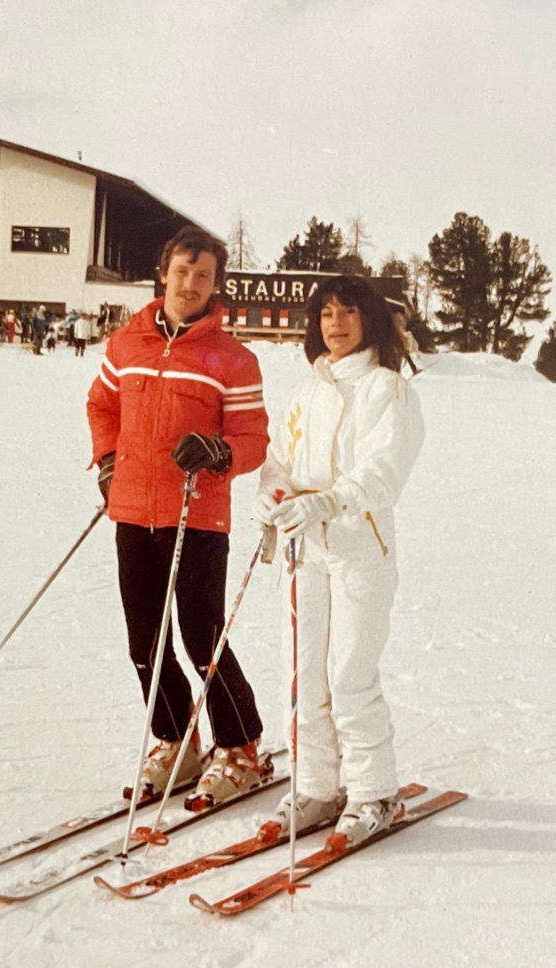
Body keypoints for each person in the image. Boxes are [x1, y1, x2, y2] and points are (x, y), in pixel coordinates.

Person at [86, 226, 270, 808]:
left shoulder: (233, 359)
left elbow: (253, 438)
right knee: (144, 639)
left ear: (216, 286)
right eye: (183, 271)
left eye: (204, 276)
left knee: (199, 636)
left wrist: (221, 453)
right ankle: (177, 739)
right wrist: (110, 459)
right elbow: (102, 404)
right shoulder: (125, 345)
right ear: (163, 271)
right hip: (134, 510)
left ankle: (239, 746)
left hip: (198, 515)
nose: (190, 284)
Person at [254, 274, 424, 847]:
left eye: (348, 312)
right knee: (303, 675)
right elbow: (278, 459)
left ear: (369, 319)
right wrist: (274, 494)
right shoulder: (306, 393)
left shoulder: (387, 390)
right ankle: (317, 785)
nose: (335, 323)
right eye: (325, 313)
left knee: (348, 673)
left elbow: (383, 470)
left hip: (358, 548)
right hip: (306, 550)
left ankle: (373, 790)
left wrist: (329, 501)